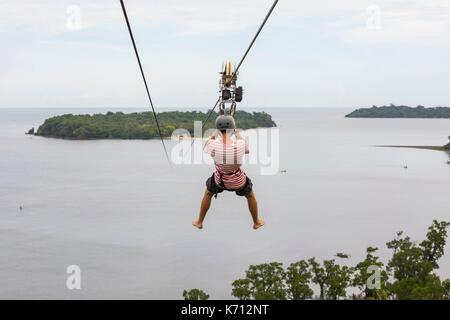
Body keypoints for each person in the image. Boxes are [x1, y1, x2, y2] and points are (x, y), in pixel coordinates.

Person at [192, 115, 264, 230]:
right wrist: (236, 132)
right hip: (238, 181)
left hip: (219, 180)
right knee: (250, 195)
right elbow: (247, 150)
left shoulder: (213, 145)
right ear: (233, 128)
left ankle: (199, 221)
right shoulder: (240, 144)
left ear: (218, 129)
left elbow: (207, 145)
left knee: (208, 193)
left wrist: (215, 134)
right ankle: (256, 222)